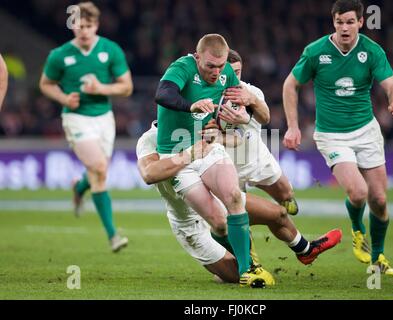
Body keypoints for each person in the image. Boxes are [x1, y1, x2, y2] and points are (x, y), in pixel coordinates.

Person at [136, 121, 342, 285]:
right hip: (191, 224)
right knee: (232, 276)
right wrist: (189, 155)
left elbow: (237, 141)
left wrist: (223, 136)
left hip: (216, 200)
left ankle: (306, 250)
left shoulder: (194, 126)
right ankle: (235, 267)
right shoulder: (149, 140)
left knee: (278, 213)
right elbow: (149, 173)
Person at [282, 0, 393, 275]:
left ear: (361, 22)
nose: (345, 27)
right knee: (358, 191)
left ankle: (378, 257)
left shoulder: (372, 51)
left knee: (380, 200)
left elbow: (392, 86)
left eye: (350, 22)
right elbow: (291, 84)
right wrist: (293, 126)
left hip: (366, 131)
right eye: (340, 22)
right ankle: (358, 231)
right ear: (333, 23)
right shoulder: (316, 52)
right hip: (332, 135)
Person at [154, 34, 257, 284]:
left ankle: (248, 270)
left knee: (233, 196)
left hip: (207, 147)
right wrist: (191, 106)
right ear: (197, 56)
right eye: (210, 66)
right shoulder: (182, 67)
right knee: (218, 222)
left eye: (221, 66)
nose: (216, 71)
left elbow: (242, 104)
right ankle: (242, 259)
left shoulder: (226, 74)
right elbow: (163, 94)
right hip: (177, 153)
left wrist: (243, 113)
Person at [39, 2, 133, 252]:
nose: (84, 31)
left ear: (97, 26)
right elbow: (46, 84)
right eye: (80, 26)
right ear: (73, 26)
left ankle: (79, 187)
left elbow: (126, 86)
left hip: (104, 119)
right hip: (76, 118)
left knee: (96, 174)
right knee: (101, 169)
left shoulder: (110, 50)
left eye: (89, 26)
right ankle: (114, 236)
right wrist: (63, 98)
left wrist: (101, 89)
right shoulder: (59, 55)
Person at [220, 49, 299, 215]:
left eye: (237, 72)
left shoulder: (252, 92)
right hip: (227, 166)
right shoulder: (209, 96)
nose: (234, 77)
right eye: (229, 73)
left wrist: (253, 101)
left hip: (256, 158)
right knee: (236, 216)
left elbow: (266, 118)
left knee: (287, 195)